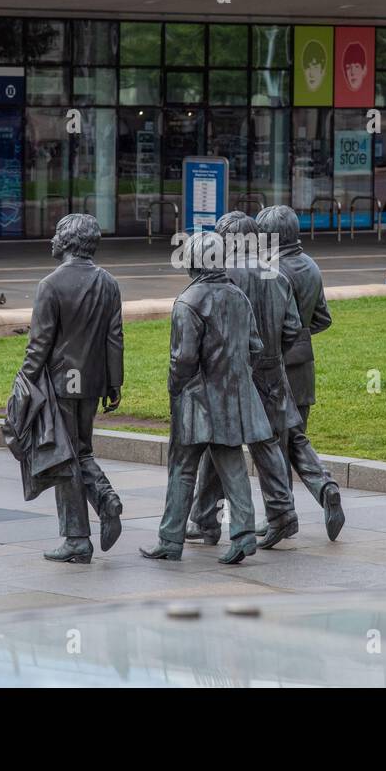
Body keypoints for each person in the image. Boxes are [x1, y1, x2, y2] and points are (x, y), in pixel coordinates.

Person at [141, 231, 270, 566]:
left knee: (182, 468)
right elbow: (255, 348)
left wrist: (175, 389)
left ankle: (170, 539)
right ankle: (242, 535)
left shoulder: (188, 302)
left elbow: (182, 361)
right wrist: (235, 378)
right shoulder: (238, 296)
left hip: (196, 402)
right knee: (233, 466)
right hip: (231, 400)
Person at [186, 212, 303, 549]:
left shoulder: (222, 277)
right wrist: (272, 356)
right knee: (264, 443)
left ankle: (211, 517)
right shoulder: (275, 272)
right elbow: (293, 328)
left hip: (233, 373)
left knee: (220, 442)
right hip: (271, 369)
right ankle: (272, 513)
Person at [17, 214, 124, 563]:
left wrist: (25, 381)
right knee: (79, 449)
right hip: (90, 382)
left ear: (66, 241)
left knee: (64, 458)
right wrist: (114, 382)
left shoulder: (50, 284)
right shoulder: (108, 282)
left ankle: (77, 538)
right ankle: (105, 499)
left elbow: (39, 343)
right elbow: (114, 338)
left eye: (56, 234)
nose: (51, 239)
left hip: (60, 382)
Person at [254, 205, 345, 540]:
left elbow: (266, 324)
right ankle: (323, 489)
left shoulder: (269, 270)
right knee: (295, 439)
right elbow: (322, 319)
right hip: (303, 366)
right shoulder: (311, 265)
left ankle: (282, 516)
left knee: (273, 446)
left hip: (275, 367)